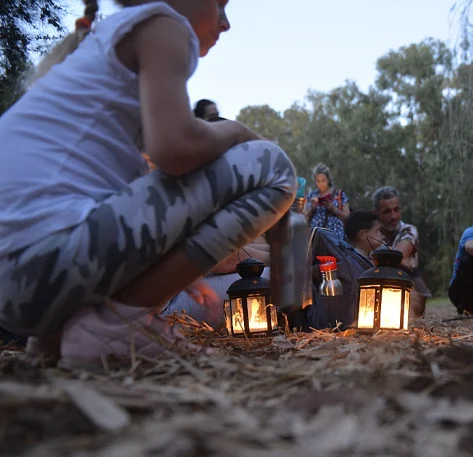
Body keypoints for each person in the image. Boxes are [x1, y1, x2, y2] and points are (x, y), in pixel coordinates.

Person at [0, 0, 297, 368]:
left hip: (18, 288)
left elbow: (128, 198)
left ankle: (55, 339)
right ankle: (120, 323)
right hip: (39, 265)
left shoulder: (105, 48)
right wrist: (237, 132)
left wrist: (166, 272)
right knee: (272, 164)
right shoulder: (162, 25)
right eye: (220, 3)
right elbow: (175, 149)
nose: (226, 23)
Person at [372, 186, 431, 318]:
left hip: (407, 280)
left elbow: (396, 256)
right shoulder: (371, 233)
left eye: (396, 210)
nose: (393, 216)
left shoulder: (409, 230)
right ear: (376, 213)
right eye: (387, 212)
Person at [304, 163, 350, 240]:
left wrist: (334, 209)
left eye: (323, 180)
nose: (321, 184)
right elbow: (304, 219)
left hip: (336, 237)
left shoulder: (339, 195)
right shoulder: (311, 196)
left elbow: (348, 218)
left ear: (328, 180)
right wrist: (312, 209)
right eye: (318, 181)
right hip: (316, 238)